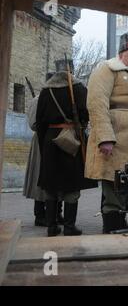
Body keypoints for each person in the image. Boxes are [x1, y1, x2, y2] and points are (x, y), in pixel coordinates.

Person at [85, 32, 128, 233]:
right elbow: (96, 103)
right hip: (114, 140)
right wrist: (105, 137)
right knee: (113, 188)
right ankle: (112, 231)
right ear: (121, 54)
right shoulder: (106, 69)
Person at [36, 60, 98, 237]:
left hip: (50, 138)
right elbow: (86, 113)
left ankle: (51, 226)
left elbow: (40, 121)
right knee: (71, 185)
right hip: (71, 138)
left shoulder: (46, 90)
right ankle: (69, 227)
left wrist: (44, 143)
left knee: (51, 185)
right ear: (70, 71)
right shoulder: (78, 88)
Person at [23, 73, 64, 227]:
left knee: (58, 178)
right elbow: (34, 123)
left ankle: (55, 213)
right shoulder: (38, 99)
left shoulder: (61, 98)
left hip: (58, 140)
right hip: (42, 140)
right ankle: (40, 215)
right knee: (40, 178)